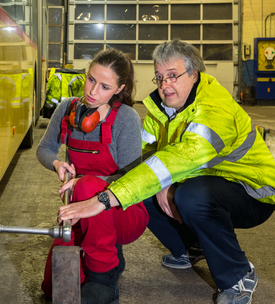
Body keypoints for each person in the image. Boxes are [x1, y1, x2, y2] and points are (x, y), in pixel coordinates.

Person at [58, 39, 275, 304]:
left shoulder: (214, 110)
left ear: (194, 75)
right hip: (205, 180)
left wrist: (103, 199)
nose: (164, 85)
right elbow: (141, 162)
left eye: (173, 76)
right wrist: (102, 181)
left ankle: (238, 276)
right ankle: (189, 248)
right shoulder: (161, 110)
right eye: (159, 77)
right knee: (143, 192)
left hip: (252, 190)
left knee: (190, 197)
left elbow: (179, 160)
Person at [36, 48, 149, 304]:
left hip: (124, 210)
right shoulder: (68, 109)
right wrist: (56, 163)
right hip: (81, 208)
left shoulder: (127, 119)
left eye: (105, 86)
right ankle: (109, 255)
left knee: (87, 186)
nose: (92, 91)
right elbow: (44, 149)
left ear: (119, 89)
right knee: (55, 288)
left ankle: (105, 281)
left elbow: (131, 176)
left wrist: (82, 182)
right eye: (91, 79)